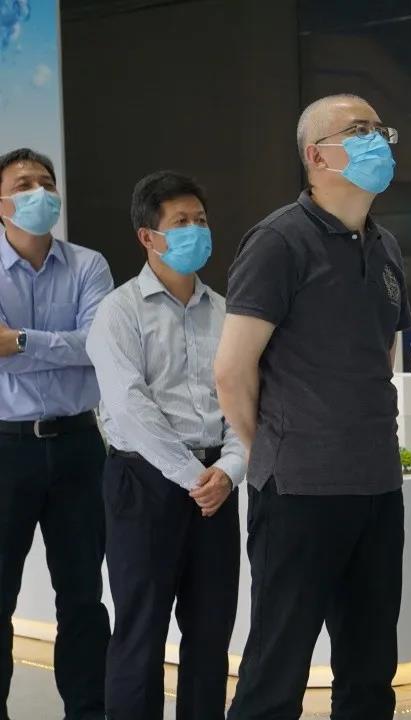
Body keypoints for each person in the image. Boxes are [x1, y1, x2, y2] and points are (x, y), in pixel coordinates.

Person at [215, 94, 411, 719]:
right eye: (359, 131)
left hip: (376, 485)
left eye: (379, 130)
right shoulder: (278, 241)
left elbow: (380, 357)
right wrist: (275, 449)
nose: (377, 140)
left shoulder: (385, 246)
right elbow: (231, 371)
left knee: (370, 671)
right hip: (299, 492)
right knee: (277, 670)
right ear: (317, 156)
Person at [86, 171, 246, 720]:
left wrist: (229, 468)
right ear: (147, 236)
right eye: (180, 222)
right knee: (141, 631)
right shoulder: (119, 311)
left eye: (200, 220)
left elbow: (244, 397)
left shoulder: (226, 311)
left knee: (210, 634)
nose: (195, 230)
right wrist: (193, 476)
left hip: (216, 487)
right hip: (143, 482)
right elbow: (129, 406)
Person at [0, 148, 112, 719]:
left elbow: (98, 346)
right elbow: (77, 347)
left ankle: (87, 711)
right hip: (5, 446)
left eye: (46, 182)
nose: (39, 193)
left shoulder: (89, 266)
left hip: (78, 446)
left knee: (83, 596)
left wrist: (19, 341)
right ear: (0, 202)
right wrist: (62, 347)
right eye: (23, 184)